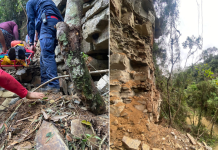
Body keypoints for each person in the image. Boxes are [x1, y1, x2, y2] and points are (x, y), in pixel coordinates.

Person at [26, 0, 64, 92]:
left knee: (47, 54)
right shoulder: (47, 1)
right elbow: (59, 14)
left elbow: (31, 22)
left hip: (46, 23)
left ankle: (54, 86)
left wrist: (31, 43)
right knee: (44, 55)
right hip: (56, 24)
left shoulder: (30, 2)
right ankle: (45, 84)